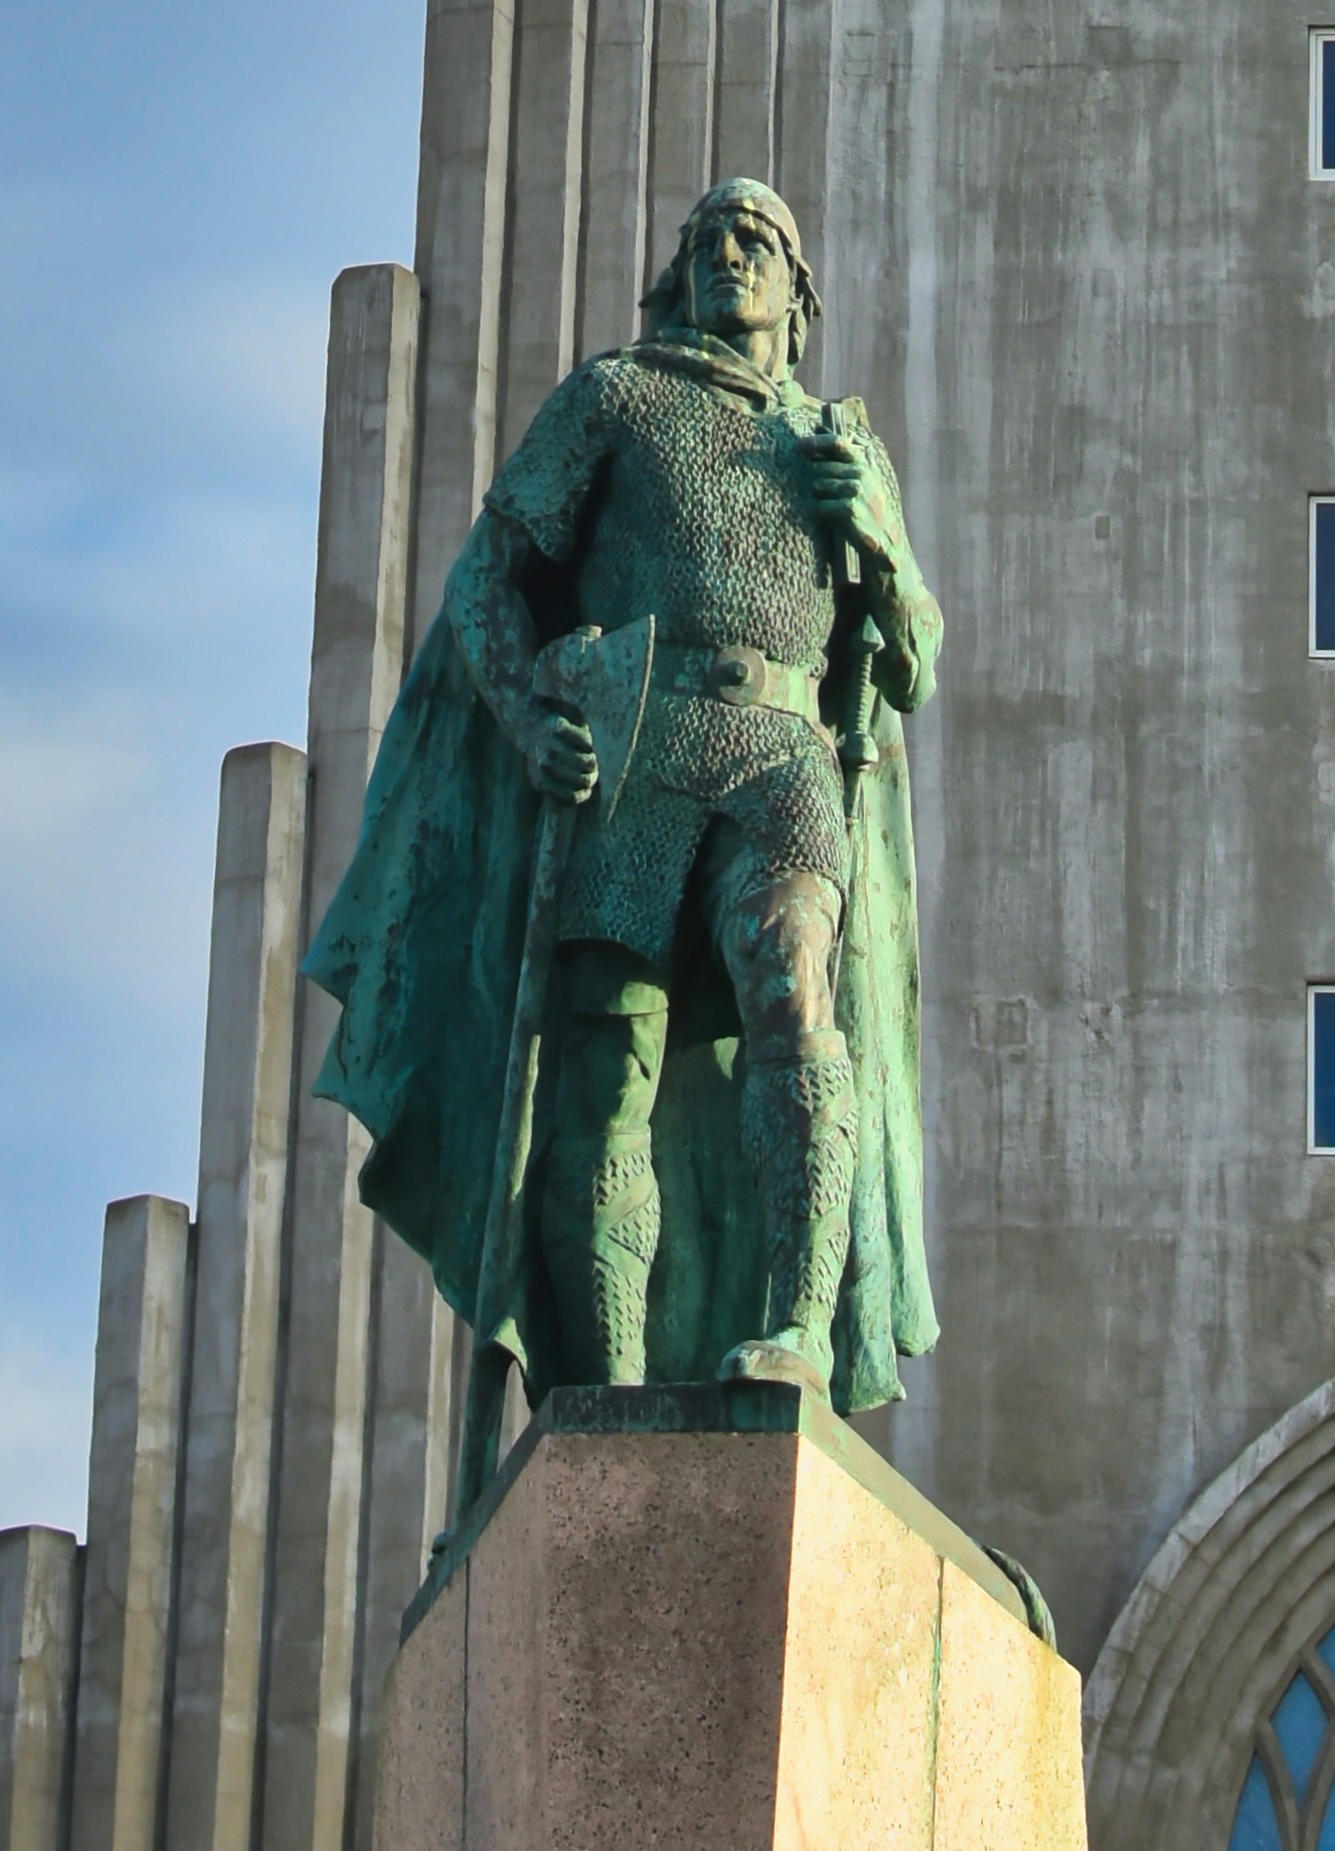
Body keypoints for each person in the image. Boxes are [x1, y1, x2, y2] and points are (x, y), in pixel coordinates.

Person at [305, 175, 938, 1427]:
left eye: (754, 239)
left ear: (796, 295)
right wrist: (529, 709)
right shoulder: (617, 394)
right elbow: (490, 570)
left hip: (780, 750)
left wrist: (879, 536)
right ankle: (608, 1381)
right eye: (705, 238)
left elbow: (912, 655)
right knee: (605, 1065)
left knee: (795, 990)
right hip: (639, 746)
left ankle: (800, 1325)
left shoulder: (839, 444)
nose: (726, 254)